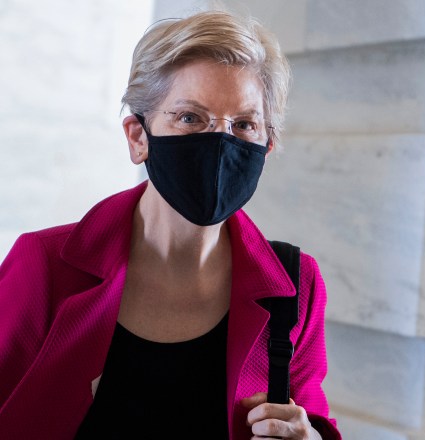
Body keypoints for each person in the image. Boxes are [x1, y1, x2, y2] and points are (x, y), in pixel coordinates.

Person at [0, 8, 342, 440]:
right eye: (189, 117)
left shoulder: (296, 285)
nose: (220, 143)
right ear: (138, 136)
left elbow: (310, 417)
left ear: (267, 147)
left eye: (243, 124)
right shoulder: (45, 267)